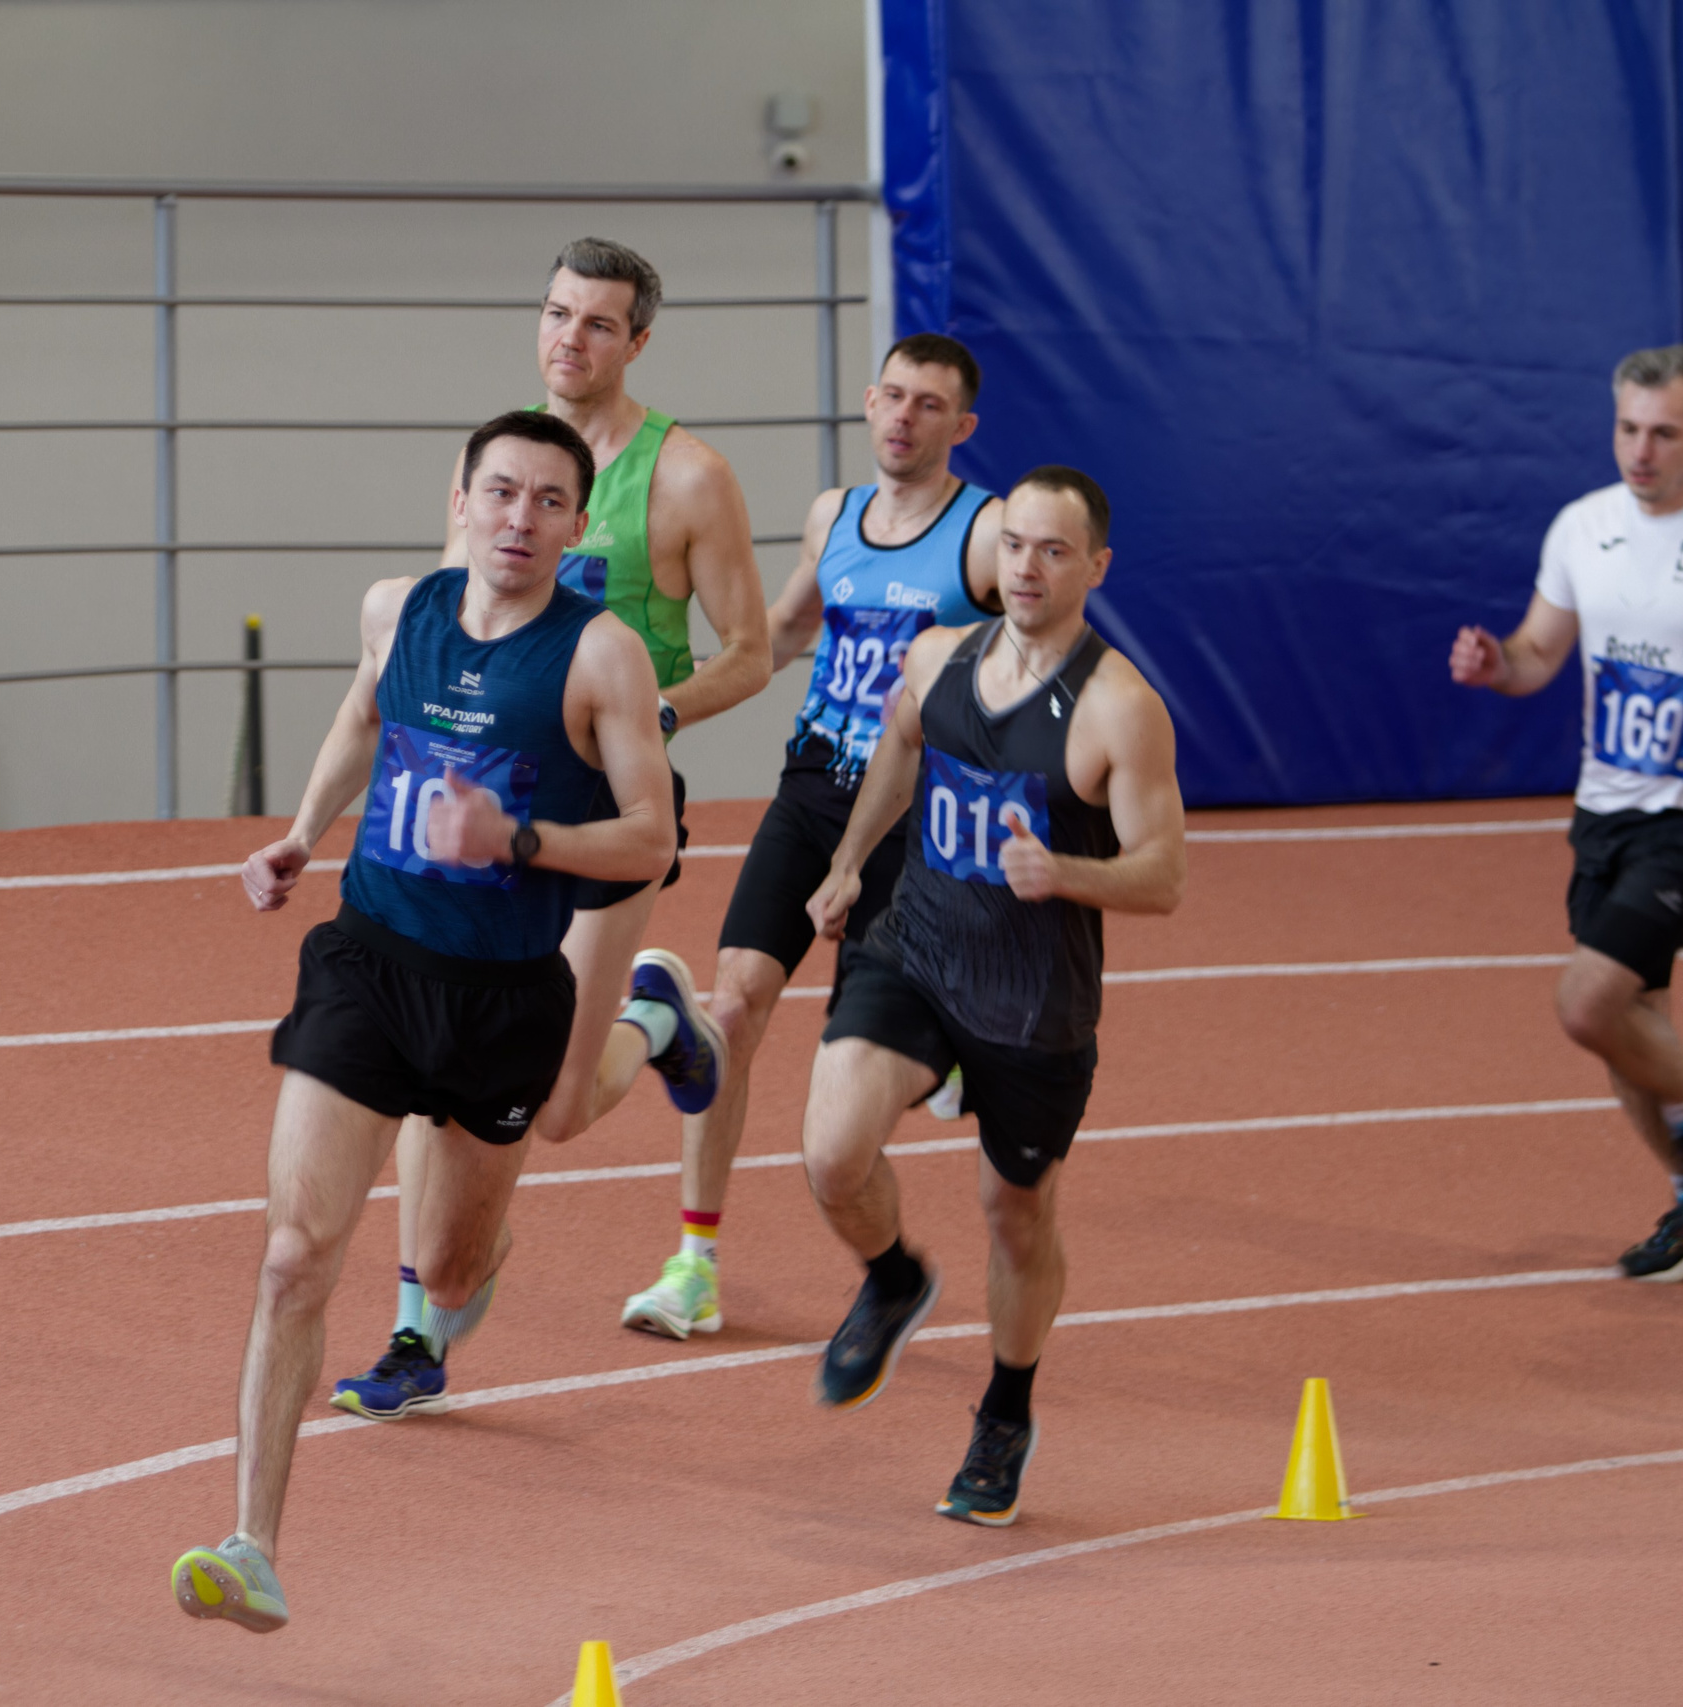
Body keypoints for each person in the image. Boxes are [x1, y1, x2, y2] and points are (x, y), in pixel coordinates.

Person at [171, 410, 676, 1632]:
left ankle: (652, 1018)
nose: (518, 518)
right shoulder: (398, 609)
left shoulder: (602, 657)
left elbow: (653, 840)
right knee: (298, 1253)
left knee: (445, 1270)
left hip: (503, 995)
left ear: (574, 523)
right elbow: (362, 718)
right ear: (460, 498)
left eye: (547, 501)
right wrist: (303, 829)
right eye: (499, 492)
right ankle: (253, 1543)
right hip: (369, 961)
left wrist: (517, 840)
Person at [330, 237, 773, 1417]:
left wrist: (647, 708)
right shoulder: (502, 457)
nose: (568, 339)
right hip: (475, 815)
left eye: (596, 323)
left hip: (603, 817)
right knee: (431, 1070)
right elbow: (441, 615)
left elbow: (752, 649)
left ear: (637, 343)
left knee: (564, 1107)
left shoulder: (686, 478)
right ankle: (417, 1330)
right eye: (555, 314)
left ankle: (655, 1014)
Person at [799, 467, 1184, 1527]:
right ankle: (889, 1279)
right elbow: (898, 755)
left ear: (1093, 568)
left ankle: (1006, 1408)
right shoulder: (935, 657)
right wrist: (844, 867)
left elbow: (1164, 873)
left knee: (1014, 1216)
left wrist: (1069, 874)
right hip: (916, 952)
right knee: (831, 1150)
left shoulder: (1121, 708)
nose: (1025, 565)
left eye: (1053, 550)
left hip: (1032, 1000)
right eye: (1014, 543)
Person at [618, 332, 1005, 1341]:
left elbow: (1040, 649)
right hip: (810, 792)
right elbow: (785, 633)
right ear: (867, 400)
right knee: (733, 1009)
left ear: (960, 428)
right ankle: (694, 1264)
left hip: (915, 819)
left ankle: (948, 1043)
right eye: (890, 396)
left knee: (857, 1069)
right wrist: (655, 698)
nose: (901, 417)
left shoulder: (986, 532)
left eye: (928, 405)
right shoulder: (833, 515)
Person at [1451, 344, 1683, 1281]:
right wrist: (1500, 668)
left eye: (1664, 432)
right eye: (1627, 428)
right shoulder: (1583, 525)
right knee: (1631, 1019)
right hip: (1603, 806)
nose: (1640, 450)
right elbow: (1537, 652)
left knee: (1589, 1002)